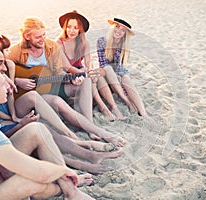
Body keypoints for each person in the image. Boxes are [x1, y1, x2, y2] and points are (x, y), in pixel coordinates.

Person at [0, 38, 123, 175]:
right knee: (38, 131)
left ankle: (86, 147)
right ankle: (79, 156)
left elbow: (7, 102)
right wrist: (19, 123)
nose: (5, 67)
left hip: (4, 126)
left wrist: (15, 117)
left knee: (42, 121)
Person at [0, 53, 94, 200]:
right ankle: (66, 187)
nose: (9, 85)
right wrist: (63, 171)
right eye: (3, 84)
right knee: (29, 181)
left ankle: (71, 192)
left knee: (36, 129)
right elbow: (40, 173)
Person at [8, 17, 126, 146]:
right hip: (34, 95)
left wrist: (73, 79)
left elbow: (59, 73)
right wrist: (17, 80)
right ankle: (93, 130)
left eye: (44, 34)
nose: (43, 39)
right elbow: (2, 73)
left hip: (52, 85)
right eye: (38, 37)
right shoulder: (16, 51)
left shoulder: (51, 46)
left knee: (86, 80)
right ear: (27, 36)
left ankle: (89, 124)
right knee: (58, 102)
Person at [56, 10, 125, 121]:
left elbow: (88, 63)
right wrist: (84, 72)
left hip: (80, 70)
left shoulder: (83, 42)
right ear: (65, 27)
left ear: (80, 29)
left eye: (76, 27)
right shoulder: (58, 43)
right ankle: (104, 109)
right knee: (89, 78)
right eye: (69, 27)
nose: (72, 30)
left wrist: (88, 70)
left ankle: (114, 107)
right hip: (66, 75)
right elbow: (67, 67)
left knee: (98, 76)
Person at [97, 17, 148, 117]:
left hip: (119, 72)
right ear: (112, 28)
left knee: (126, 80)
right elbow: (103, 63)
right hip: (106, 72)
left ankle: (143, 113)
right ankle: (127, 101)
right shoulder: (102, 41)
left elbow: (120, 67)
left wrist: (120, 78)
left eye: (123, 30)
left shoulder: (124, 46)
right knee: (108, 68)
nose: (119, 31)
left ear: (125, 34)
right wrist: (116, 76)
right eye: (117, 27)